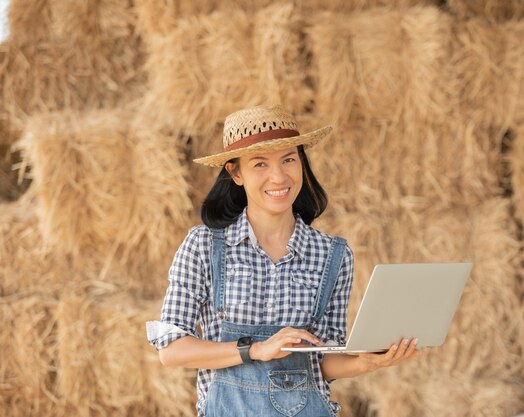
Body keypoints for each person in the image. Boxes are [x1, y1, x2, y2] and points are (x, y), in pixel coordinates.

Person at [146, 105, 420, 417]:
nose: (278, 176)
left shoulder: (333, 255)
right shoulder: (203, 246)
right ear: (235, 173)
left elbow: (322, 360)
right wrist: (257, 350)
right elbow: (171, 350)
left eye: (288, 159)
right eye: (260, 164)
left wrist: (363, 363)